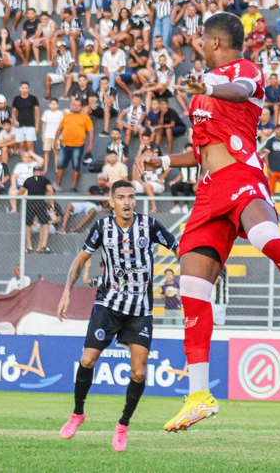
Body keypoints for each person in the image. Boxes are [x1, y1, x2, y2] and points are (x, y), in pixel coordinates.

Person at [139, 13, 280, 431]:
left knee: (266, 238)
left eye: (201, 36)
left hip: (242, 176)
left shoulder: (243, 71)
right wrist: (162, 161)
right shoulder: (201, 95)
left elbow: (238, 91)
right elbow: (201, 152)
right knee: (192, 289)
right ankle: (198, 394)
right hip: (207, 192)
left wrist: (209, 84)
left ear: (215, 42)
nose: (196, 40)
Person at [56, 180, 178, 452]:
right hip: (108, 304)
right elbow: (80, 260)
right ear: (111, 202)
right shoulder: (102, 227)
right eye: (120, 197)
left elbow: (178, 248)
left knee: (138, 372)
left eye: (131, 197)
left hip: (139, 310)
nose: (126, 202)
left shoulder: (149, 225)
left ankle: (123, 425)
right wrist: (66, 292)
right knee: (87, 360)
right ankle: (77, 414)